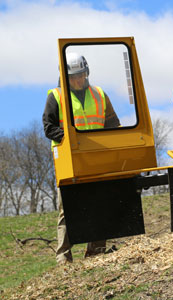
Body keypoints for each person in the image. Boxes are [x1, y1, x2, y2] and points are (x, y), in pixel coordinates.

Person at [42, 52, 120, 264]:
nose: (78, 80)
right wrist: (71, 140)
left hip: (96, 160)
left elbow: (113, 124)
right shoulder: (56, 96)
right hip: (69, 160)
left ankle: (96, 254)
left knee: (99, 205)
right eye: (73, 77)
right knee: (67, 210)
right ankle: (64, 260)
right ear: (64, 77)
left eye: (81, 75)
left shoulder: (100, 94)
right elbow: (49, 128)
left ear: (87, 73)